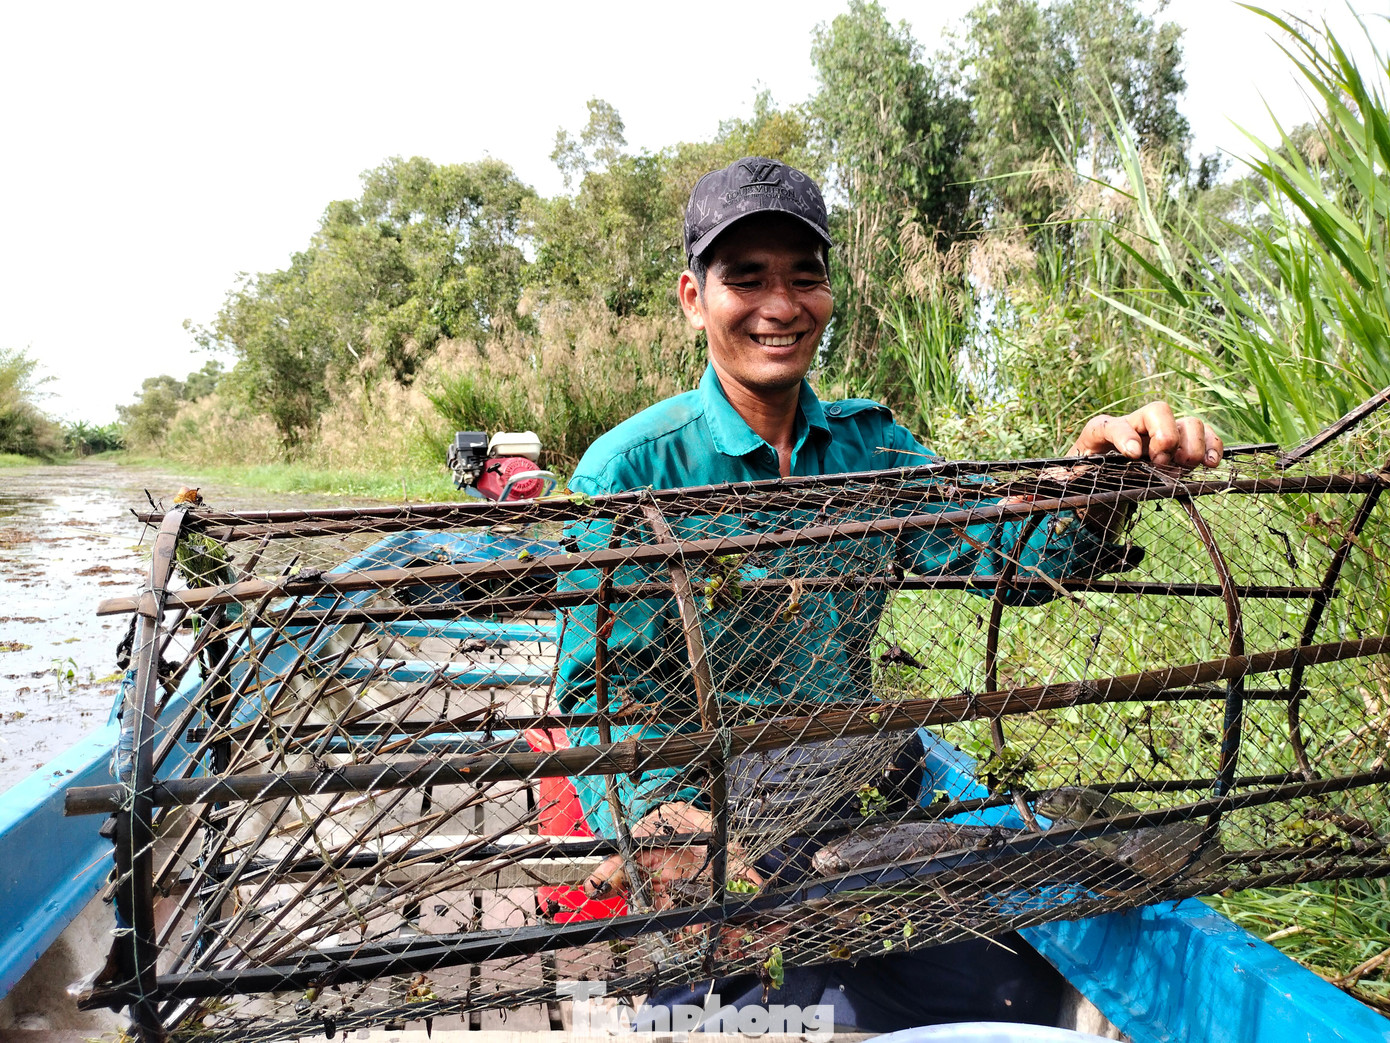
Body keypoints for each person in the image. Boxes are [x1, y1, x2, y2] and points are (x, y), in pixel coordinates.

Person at [551, 157, 1222, 1032]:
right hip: (719, 820)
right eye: (746, 279)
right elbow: (605, 692)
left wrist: (1095, 481)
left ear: (827, 295)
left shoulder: (871, 450)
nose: (780, 305)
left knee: (1015, 996)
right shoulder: (633, 472)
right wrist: (667, 822)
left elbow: (1011, 557)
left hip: (858, 806)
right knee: (709, 1019)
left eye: (804, 278)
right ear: (693, 298)